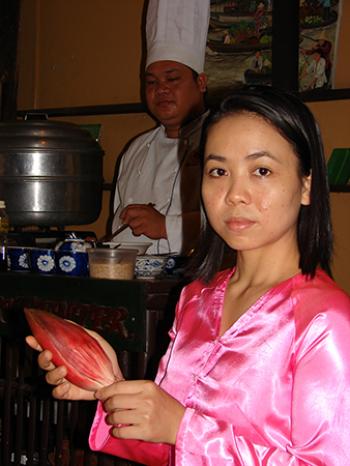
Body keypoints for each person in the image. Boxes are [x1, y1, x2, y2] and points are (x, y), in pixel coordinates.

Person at [27, 86, 350, 465]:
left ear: (306, 185)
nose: (234, 194)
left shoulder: (325, 321)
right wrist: (108, 388)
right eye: (218, 171)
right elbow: (168, 446)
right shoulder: (197, 298)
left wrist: (183, 428)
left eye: (261, 170)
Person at [110, 0, 210, 255]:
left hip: (199, 285)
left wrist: (166, 226)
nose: (161, 89)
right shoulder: (136, 149)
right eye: (151, 82)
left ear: (200, 83)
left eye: (173, 79)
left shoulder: (224, 140)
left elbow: (241, 223)